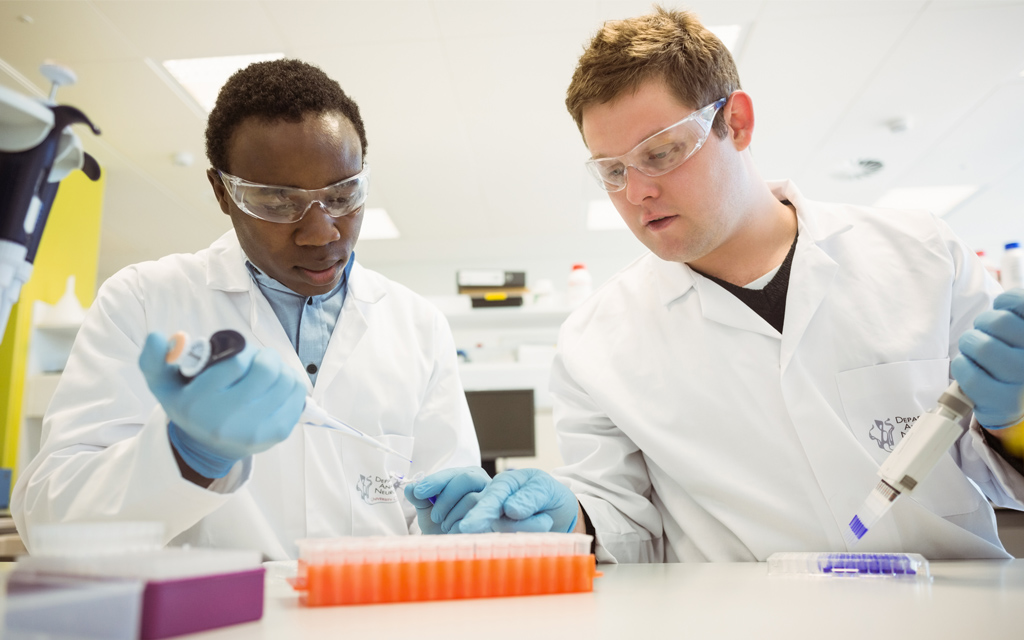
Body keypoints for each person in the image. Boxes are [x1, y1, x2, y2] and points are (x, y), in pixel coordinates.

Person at [407, 7, 1024, 562]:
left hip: (950, 616)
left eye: (660, 153)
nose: (637, 192)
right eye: (612, 171)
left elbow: (1002, 480)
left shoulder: (921, 256)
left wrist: (1016, 422)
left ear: (737, 120)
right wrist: (564, 516)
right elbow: (626, 529)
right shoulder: (596, 341)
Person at [12, 59, 480, 559]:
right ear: (222, 193)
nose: (321, 232)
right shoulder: (144, 300)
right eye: (278, 202)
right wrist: (187, 456)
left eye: (343, 195)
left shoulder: (417, 324)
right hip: (214, 623)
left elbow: (443, 508)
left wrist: (462, 523)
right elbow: (47, 519)